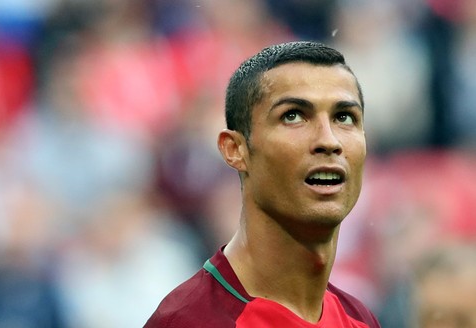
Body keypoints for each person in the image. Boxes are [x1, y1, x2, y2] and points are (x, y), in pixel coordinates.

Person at [144, 41, 381, 327]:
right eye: (292, 115)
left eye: (344, 117)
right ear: (235, 149)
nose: (329, 141)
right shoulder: (190, 321)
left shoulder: (360, 318)